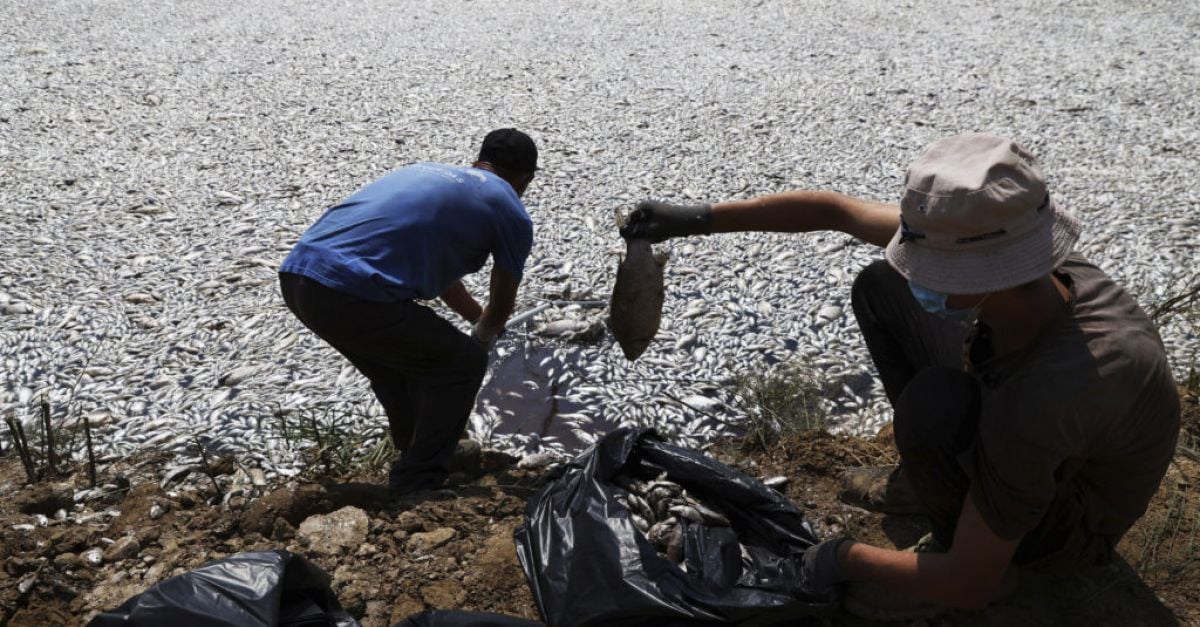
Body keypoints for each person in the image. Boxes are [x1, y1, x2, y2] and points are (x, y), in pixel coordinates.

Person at [620, 133, 1180, 618]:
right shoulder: (1027, 265)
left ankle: (977, 543)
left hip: (1067, 532)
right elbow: (833, 211)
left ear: (982, 271)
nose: (921, 274)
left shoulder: (1045, 399)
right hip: (1039, 436)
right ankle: (941, 482)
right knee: (883, 284)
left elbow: (971, 581)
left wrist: (841, 558)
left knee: (932, 407)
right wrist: (694, 219)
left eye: (934, 269)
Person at [279, 129, 537, 496]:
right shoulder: (510, 208)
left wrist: (473, 318)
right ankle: (419, 484)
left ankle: (414, 454)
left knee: (396, 369)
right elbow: (502, 302)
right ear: (527, 177)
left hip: (298, 277)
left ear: (478, 161)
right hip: (351, 293)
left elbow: (447, 284)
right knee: (460, 363)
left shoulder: (428, 172)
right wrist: (482, 336)